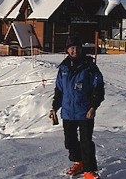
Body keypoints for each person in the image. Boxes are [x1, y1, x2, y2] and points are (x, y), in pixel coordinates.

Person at [49, 36, 105, 179]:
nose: (74, 50)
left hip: (85, 111)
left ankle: (89, 170)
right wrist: (54, 108)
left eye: (77, 47)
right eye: (71, 48)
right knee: (70, 141)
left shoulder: (90, 67)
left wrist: (93, 107)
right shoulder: (63, 68)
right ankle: (79, 162)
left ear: (81, 49)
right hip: (68, 112)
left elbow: (98, 89)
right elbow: (59, 90)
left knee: (86, 141)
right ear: (67, 50)